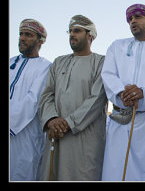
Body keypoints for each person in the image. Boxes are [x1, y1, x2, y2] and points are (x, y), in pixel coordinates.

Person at [101, 4, 145, 181]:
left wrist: (143, 93)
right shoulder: (117, 46)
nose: (133, 21)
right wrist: (121, 94)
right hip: (121, 121)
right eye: (130, 18)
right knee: (117, 173)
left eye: (138, 17)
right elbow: (108, 74)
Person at [38, 15, 108, 181]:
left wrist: (69, 123)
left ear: (90, 35)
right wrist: (52, 120)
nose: (71, 34)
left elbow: (97, 100)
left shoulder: (101, 62)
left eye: (77, 31)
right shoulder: (58, 62)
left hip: (84, 138)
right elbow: (47, 94)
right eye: (69, 31)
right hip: (56, 134)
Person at [10, 19, 51, 181]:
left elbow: (33, 100)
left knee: (22, 173)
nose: (22, 38)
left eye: (28, 35)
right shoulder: (11, 62)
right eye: (21, 34)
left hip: (25, 135)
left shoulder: (45, 67)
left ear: (39, 41)